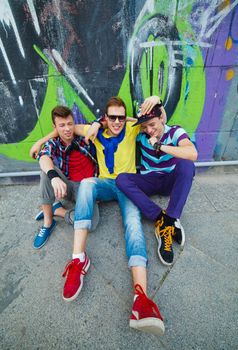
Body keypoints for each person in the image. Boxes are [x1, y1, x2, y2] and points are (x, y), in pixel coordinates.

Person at [116, 102, 198, 266]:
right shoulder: (142, 133)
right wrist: (97, 123)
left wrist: (160, 145)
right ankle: (161, 218)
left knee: (187, 164)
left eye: (152, 124)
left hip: (169, 180)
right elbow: (122, 120)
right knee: (121, 179)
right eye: (145, 126)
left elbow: (192, 153)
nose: (149, 130)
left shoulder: (175, 132)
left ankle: (171, 217)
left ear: (162, 119)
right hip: (149, 180)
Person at [29, 105, 99, 249]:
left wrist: (40, 140)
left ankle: (57, 210)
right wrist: (54, 177)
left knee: (91, 224)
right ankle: (48, 222)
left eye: (69, 124)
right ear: (55, 127)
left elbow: (102, 122)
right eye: (62, 125)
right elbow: (42, 156)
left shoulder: (82, 135)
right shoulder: (54, 142)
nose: (67, 129)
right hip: (68, 185)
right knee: (46, 172)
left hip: (87, 187)